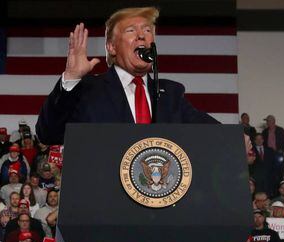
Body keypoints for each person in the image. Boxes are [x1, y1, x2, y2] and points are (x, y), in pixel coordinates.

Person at [36, 7, 218, 145]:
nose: (141, 36)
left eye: (147, 31)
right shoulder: (89, 90)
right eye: (131, 30)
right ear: (111, 47)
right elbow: (48, 133)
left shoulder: (170, 94)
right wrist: (71, 77)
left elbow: (212, 132)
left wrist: (238, 137)